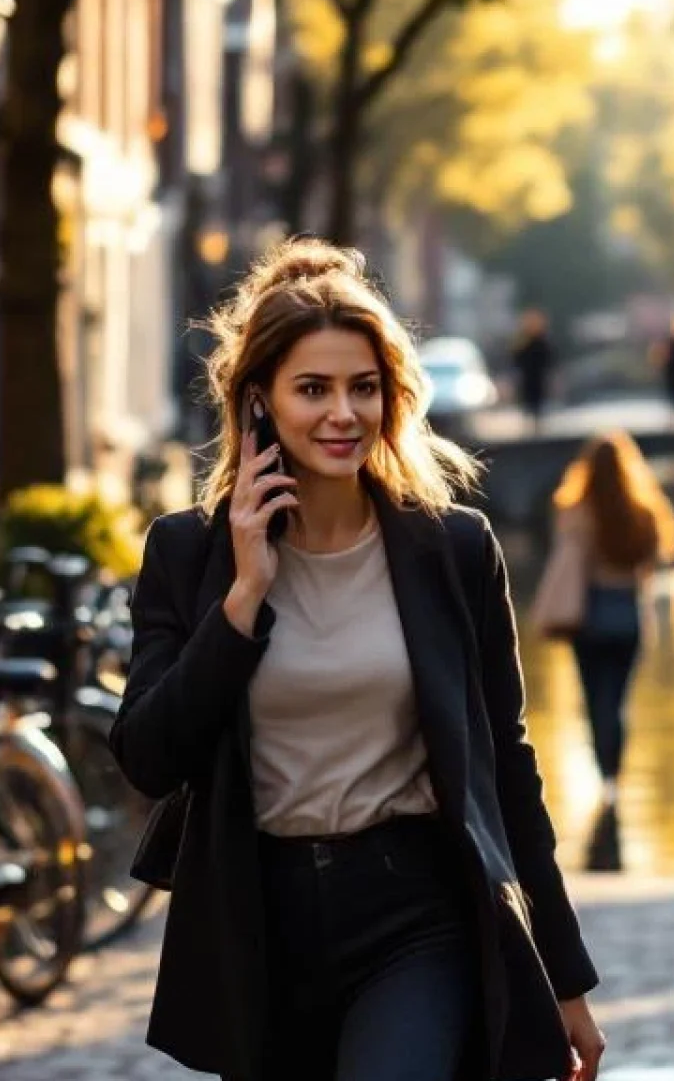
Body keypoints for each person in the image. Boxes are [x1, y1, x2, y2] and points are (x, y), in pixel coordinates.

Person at [110, 240, 605, 1081]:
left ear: (392, 398)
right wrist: (242, 602)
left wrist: (564, 976)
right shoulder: (189, 554)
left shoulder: (452, 549)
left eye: (363, 388)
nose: (343, 413)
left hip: (417, 914)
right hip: (256, 923)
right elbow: (150, 758)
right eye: (313, 389)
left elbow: (508, 772)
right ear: (258, 400)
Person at [549, 431, 674, 806]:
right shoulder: (643, 512)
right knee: (618, 700)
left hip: (589, 615)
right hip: (628, 614)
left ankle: (603, 774)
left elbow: (569, 560)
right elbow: (653, 562)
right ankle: (615, 778)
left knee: (594, 699)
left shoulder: (578, 510)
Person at [513, 310, 554, 431]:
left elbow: (549, 359)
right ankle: (532, 422)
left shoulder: (542, 341)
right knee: (529, 400)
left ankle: (538, 422)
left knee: (538, 400)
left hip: (539, 377)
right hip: (527, 377)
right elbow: (516, 359)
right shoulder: (523, 341)